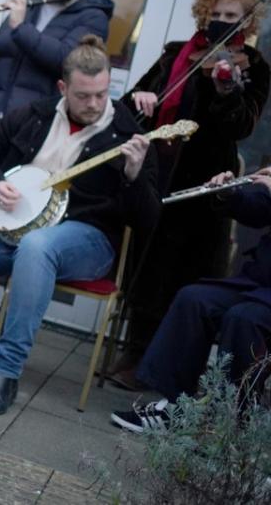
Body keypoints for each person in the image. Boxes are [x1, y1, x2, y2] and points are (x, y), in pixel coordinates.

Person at [0, 36, 158, 416]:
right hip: (16, 225)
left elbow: (149, 218)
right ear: (62, 88)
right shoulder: (36, 114)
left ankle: (5, 372)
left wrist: (134, 175)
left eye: (102, 95)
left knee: (38, 247)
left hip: (86, 238)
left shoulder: (125, 131)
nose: (94, 105)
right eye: (83, 96)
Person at [110, 0, 269, 390]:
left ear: (246, 22)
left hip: (203, 181)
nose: (220, 21)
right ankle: (134, 350)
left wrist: (227, 90)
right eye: (214, 14)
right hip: (158, 171)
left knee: (183, 270)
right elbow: (134, 102)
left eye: (231, 16)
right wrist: (142, 100)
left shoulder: (252, 66)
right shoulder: (176, 54)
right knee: (145, 265)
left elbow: (242, 126)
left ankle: (168, 365)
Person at [111, 168, 271, 433]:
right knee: (194, 299)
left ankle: (233, 423)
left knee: (244, 318)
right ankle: (175, 406)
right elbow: (258, 210)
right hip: (260, 282)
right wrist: (229, 194)